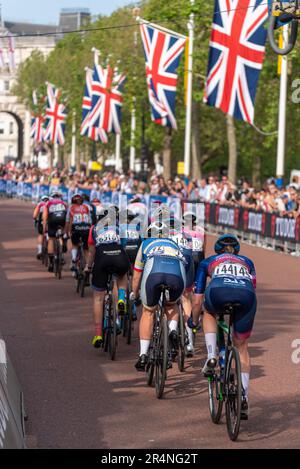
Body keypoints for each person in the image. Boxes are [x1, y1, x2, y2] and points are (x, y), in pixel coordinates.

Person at [190, 234, 257, 420]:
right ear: (237, 250)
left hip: (219, 291)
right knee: (242, 346)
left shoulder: (209, 261)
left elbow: (196, 300)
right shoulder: (248, 261)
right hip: (246, 296)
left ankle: (211, 356)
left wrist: (193, 322)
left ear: (217, 249)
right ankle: (243, 395)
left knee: (208, 312)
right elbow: (253, 287)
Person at [132, 221, 187, 371]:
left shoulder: (145, 244)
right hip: (176, 276)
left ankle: (143, 355)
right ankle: (173, 330)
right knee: (171, 305)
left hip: (154, 275)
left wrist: (134, 294)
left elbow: (137, 276)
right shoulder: (175, 244)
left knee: (148, 311)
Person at [85, 208, 130, 349]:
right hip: (118, 255)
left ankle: (98, 334)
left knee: (98, 298)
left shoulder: (94, 229)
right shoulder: (118, 227)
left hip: (101, 259)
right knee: (121, 277)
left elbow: (91, 252)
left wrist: (88, 266)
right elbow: (123, 245)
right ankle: (121, 299)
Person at [43, 190, 68, 273]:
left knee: (51, 238)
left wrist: (44, 227)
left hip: (52, 220)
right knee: (62, 234)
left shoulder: (48, 203)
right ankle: (63, 244)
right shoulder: (64, 203)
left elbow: (45, 216)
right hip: (62, 219)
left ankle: (51, 262)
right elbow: (67, 215)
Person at [66, 194, 92, 273]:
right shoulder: (86, 207)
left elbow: (69, 221)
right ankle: (88, 266)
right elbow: (90, 221)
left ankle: (74, 259)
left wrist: (68, 232)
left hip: (76, 228)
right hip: (86, 228)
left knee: (75, 244)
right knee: (86, 249)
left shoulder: (71, 207)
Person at [33, 195, 50, 260]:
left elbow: (34, 216)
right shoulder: (50, 203)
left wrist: (35, 219)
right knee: (49, 232)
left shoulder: (40, 204)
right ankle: (48, 239)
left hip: (42, 219)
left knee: (41, 234)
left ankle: (40, 251)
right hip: (50, 218)